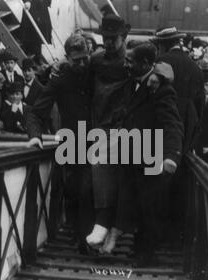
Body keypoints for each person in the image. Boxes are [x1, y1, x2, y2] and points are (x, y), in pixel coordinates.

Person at [101, 43, 184, 266]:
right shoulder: (132, 84)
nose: (126, 64)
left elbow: (172, 123)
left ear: (146, 64)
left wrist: (172, 155)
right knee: (132, 201)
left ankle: (145, 255)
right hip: (132, 155)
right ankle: (137, 248)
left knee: (150, 207)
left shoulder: (161, 88)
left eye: (130, 61)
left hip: (151, 157)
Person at [26, 34, 93, 253]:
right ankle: (78, 233)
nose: (82, 64)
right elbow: (36, 113)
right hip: (71, 142)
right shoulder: (60, 80)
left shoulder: (95, 70)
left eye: (85, 58)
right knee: (74, 189)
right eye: (76, 60)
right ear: (67, 58)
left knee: (88, 190)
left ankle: (85, 237)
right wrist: (35, 135)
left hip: (98, 141)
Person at [84, 14, 131, 248]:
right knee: (100, 170)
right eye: (106, 38)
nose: (109, 42)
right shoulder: (96, 60)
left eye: (114, 38)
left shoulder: (131, 61)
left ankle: (113, 228)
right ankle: (103, 224)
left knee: (122, 178)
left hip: (125, 128)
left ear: (124, 37)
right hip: (100, 125)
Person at [154, 26, 204, 119]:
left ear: (163, 44)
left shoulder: (161, 61)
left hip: (165, 117)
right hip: (188, 119)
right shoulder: (195, 66)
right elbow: (200, 101)